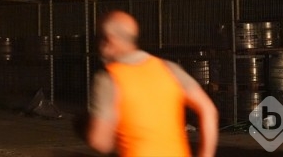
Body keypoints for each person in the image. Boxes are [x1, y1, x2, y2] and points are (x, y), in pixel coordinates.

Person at [86, 10, 218, 157]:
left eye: (100, 39)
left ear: (110, 39)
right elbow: (208, 110)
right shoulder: (169, 69)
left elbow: (100, 141)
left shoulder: (109, 78)